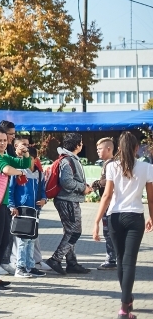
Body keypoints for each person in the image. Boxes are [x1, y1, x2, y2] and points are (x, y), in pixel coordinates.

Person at [92, 131, 153, 319]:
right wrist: (152, 216)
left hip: (115, 217)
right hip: (135, 217)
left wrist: (96, 221)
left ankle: (126, 302)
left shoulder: (112, 167)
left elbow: (107, 196)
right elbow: (151, 197)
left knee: (120, 261)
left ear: (118, 148)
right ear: (137, 148)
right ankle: (125, 307)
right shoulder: (146, 167)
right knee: (130, 262)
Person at [0, 126, 31, 293]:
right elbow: (6, 169)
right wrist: (20, 173)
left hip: (1, 204)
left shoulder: (4, 155)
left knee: (3, 242)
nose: (3, 143)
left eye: (4, 140)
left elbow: (25, 163)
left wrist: (24, 152)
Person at [46, 133, 93, 276]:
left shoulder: (69, 159)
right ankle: (56, 259)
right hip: (68, 200)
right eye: (81, 142)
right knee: (74, 232)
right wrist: (82, 188)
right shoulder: (68, 161)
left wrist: (84, 186)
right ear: (77, 145)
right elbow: (66, 182)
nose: (82, 145)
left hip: (69, 200)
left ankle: (71, 263)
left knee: (70, 231)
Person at [7, 138, 47, 278]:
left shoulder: (40, 174)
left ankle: (30, 266)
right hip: (21, 209)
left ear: (35, 159)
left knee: (31, 238)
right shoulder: (18, 172)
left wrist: (44, 199)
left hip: (35, 210)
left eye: (30, 158)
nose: (27, 160)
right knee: (22, 240)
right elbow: (10, 190)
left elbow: (43, 190)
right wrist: (12, 205)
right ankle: (20, 267)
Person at [93, 137, 118, 270]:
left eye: (100, 149)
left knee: (109, 232)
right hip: (111, 204)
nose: (98, 151)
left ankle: (111, 259)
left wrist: (96, 184)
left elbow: (107, 182)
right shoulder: (108, 163)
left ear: (109, 149)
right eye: (97, 149)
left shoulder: (111, 164)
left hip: (110, 204)